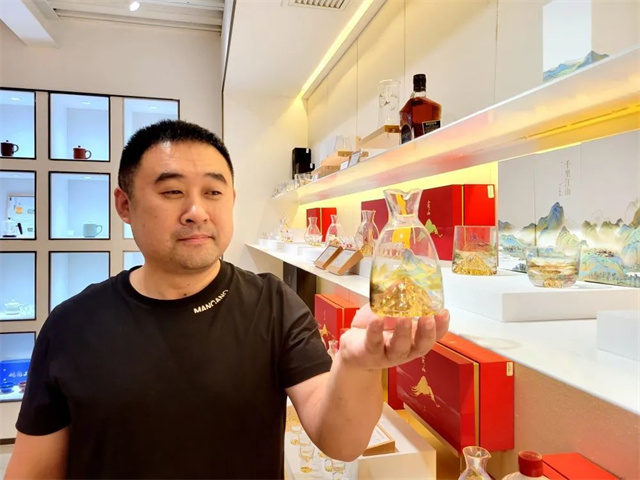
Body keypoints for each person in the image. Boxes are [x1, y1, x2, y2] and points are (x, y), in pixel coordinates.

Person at [5, 120, 450, 479]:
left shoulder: (273, 306)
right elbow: (33, 471)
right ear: (124, 205)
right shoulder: (72, 326)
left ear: (232, 200)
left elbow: (341, 442)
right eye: (172, 191)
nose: (197, 211)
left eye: (213, 192)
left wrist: (358, 367)